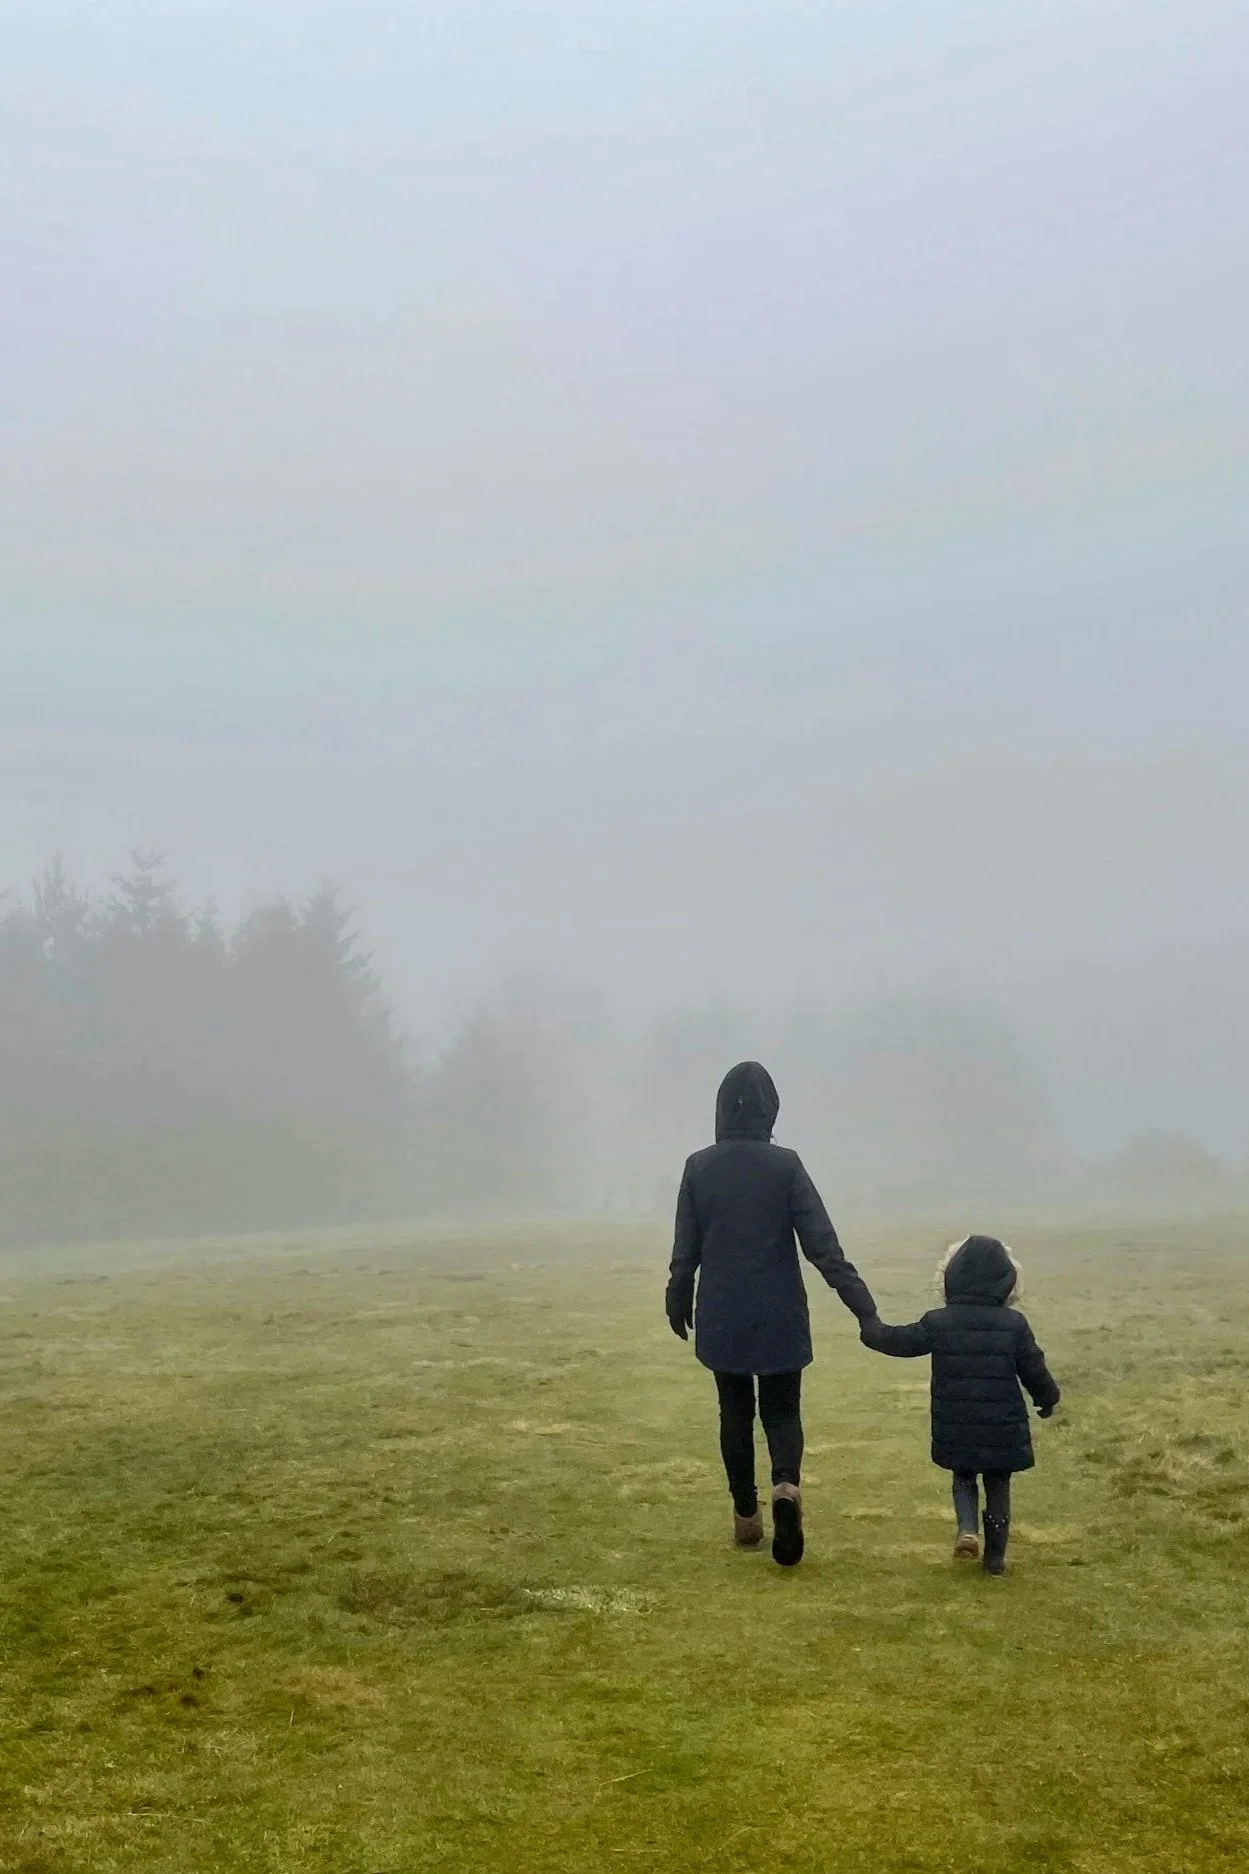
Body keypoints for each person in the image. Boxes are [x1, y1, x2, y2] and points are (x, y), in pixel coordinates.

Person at [665, 1061, 878, 1566]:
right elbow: (823, 1247)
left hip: (722, 1310)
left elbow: (685, 1247)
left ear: (720, 1109)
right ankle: (786, 1485)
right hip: (780, 1309)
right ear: (771, 1110)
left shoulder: (699, 1167)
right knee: (782, 1410)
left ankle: (746, 1516)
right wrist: (863, 1308)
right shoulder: (787, 1166)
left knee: (734, 1413)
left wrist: (678, 1293)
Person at [859, 1235, 1060, 1574]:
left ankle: (967, 1530)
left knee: (963, 1476)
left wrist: (871, 1328)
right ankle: (995, 1557)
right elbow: (1033, 1368)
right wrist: (1047, 1399)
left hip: (956, 1421)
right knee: (998, 1483)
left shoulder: (939, 1322)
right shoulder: (1014, 1324)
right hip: (1002, 1423)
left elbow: (901, 1342)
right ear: (1008, 1280)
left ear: (950, 1277)